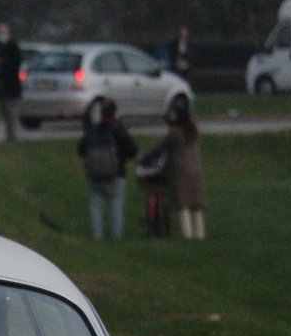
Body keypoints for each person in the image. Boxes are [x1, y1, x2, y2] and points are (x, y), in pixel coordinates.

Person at [76, 98, 138, 241]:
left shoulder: (93, 130)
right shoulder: (118, 129)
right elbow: (132, 150)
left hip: (94, 174)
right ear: (114, 112)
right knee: (116, 206)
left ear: (101, 113)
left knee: (96, 206)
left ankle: (97, 236)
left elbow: (81, 149)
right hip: (116, 174)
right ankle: (117, 236)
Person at [146, 100, 207, 239]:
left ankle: (187, 234)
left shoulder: (175, 132)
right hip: (196, 169)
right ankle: (200, 234)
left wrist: (146, 156)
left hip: (181, 171)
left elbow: (159, 148)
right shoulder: (193, 130)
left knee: (183, 204)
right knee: (196, 205)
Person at [0, 23, 23, 142]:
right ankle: (9, 134)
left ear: (8, 33)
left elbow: (16, 63)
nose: (0, 35)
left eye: (2, 32)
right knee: (4, 109)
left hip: (11, 83)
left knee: (11, 110)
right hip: (1, 83)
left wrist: (2, 62)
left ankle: (12, 135)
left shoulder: (13, 46)